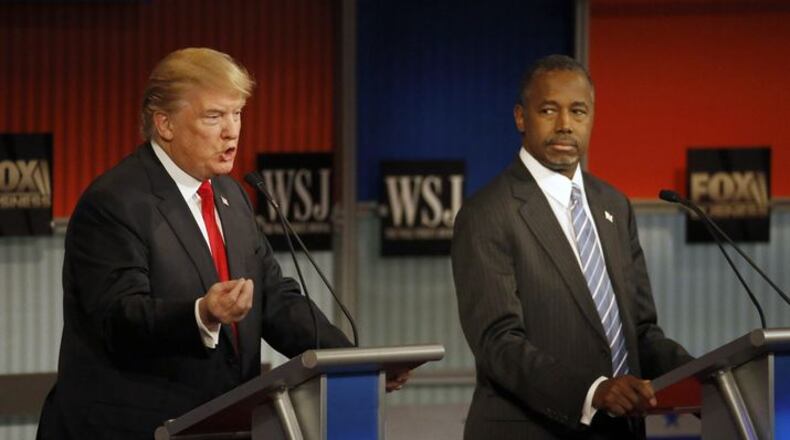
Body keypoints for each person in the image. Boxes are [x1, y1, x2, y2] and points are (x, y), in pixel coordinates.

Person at [36, 47, 380, 439]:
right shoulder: (116, 202)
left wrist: (351, 363)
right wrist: (201, 313)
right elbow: (119, 317)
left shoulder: (231, 196)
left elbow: (274, 299)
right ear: (164, 124)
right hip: (131, 429)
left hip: (219, 427)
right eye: (214, 116)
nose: (231, 130)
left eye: (237, 114)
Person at [451, 54, 693, 439]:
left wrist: (702, 374)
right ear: (520, 117)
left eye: (578, 111)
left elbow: (642, 332)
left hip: (620, 431)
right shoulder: (487, 214)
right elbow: (498, 343)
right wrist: (593, 391)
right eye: (549, 110)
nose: (565, 125)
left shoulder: (614, 205)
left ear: (592, 118)